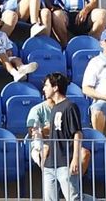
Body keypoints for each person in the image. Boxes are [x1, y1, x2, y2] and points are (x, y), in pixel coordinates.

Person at [35, 71, 84, 201]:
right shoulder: (54, 108)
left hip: (65, 161)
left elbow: (77, 133)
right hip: (50, 163)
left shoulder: (70, 106)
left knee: (72, 197)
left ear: (55, 87)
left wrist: (75, 159)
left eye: (46, 85)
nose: (44, 89)